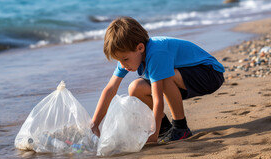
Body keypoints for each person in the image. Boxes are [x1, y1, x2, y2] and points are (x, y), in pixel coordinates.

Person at [91, 17, 224, 144]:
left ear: (140, 48)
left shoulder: (156, 53)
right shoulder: (128, 55)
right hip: (185, 80)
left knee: (165, 77)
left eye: (125, 59)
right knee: (135, 88)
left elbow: (158, 98)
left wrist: (152, 136)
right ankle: (164, 129)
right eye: (118, 60)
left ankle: (180, 128)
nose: (122, 65)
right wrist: (95, 124)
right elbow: (110, 89)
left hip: (209, 74)